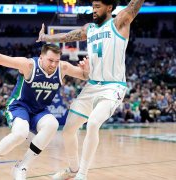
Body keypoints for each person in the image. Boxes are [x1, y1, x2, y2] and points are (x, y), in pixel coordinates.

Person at [36, 0, 145, 179]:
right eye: (93, 7)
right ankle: (73, 170)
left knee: (93, 123)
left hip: (113, 87)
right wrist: (47, 38)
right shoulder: (90, 29)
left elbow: (134, 5)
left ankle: (83, 174)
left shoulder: (119, 22)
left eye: (98, 7)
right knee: (68, 130)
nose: (93, 10)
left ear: (109, 7)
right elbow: (67, 36)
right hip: (92, 86)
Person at [0, 41, 89, 180]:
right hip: (19, 106)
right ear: (41, 57)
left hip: (39, 110)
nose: (53, 65)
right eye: (50, 60)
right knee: (20, 133)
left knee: (53, 124)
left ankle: (22, 166)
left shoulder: (62, 67)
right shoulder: (28, 65)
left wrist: (86, 70)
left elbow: (85, 76)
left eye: (56, 61)